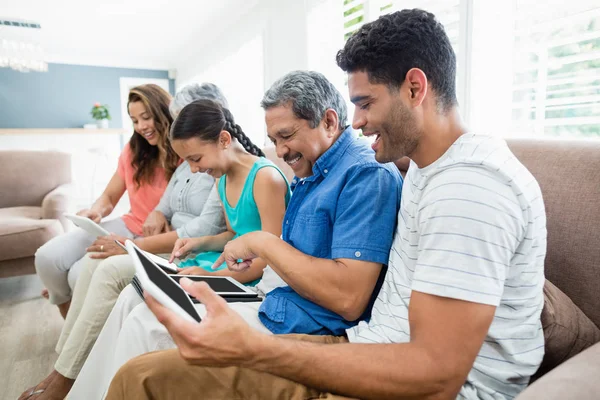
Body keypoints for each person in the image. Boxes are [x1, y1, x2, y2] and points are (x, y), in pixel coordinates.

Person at [106, 9, 547, 400]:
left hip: (402, 378)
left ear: (415, 88)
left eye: (365, 103)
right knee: (142, 375)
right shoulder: (427, 171)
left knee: (147, 378)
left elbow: (435, 376)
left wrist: (257, 349)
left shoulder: (467, 189)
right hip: (369, 349)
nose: (355, 122)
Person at [70, 70, 402, 399]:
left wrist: (259, 245)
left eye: (286, 136)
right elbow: (290, 254)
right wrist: (243, 260)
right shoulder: (314, 169)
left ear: (329, 122)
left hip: (296, 317)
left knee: (146, 324)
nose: (281, 151)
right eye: (274, 141)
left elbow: (348, 299)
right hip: (271, 296)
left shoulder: (363, 174)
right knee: (141, 300)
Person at [17, 84, 232, 400]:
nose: (192, 164)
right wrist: (157, 212)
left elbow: (209, 226)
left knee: (104, 271)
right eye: (134, 120)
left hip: (181, 251)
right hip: (164, 241)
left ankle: (64, 379)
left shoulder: (218, 165)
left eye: (147, 117)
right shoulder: (186, 162)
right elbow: (166, 202)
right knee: (89, 264)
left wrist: (133, 245)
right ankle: (63, 367)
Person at [34, 84, 178, 319]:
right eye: (134, 120)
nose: (141, 127)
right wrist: (95, 211)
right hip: (129, 223)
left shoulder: (186, 152)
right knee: (47, 258)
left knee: (77, 274)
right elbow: (110, 196)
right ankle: (67, 307)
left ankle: (77, 325)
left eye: (146, 117)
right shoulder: (134, 150)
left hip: (155, 237)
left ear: (163, 112)